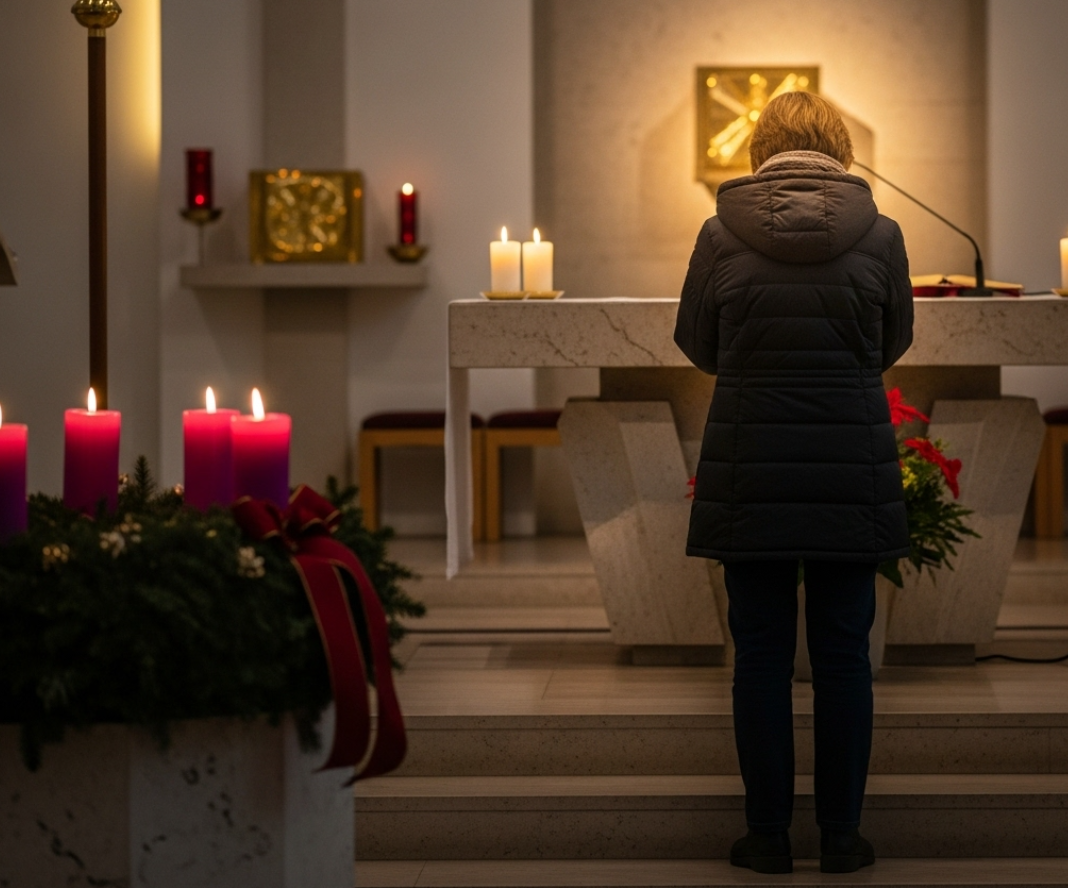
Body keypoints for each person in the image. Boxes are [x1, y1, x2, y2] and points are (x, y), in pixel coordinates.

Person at [674, 91, 914, 875]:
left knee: (762, 655)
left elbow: (697, 342)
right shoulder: (880, 235)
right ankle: (842, 836)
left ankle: (767, 836)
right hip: (851, 462)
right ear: (839, 147)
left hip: (753, 464)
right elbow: (892, 342)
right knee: (846, 655)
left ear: (761, 147)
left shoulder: (719, 234)